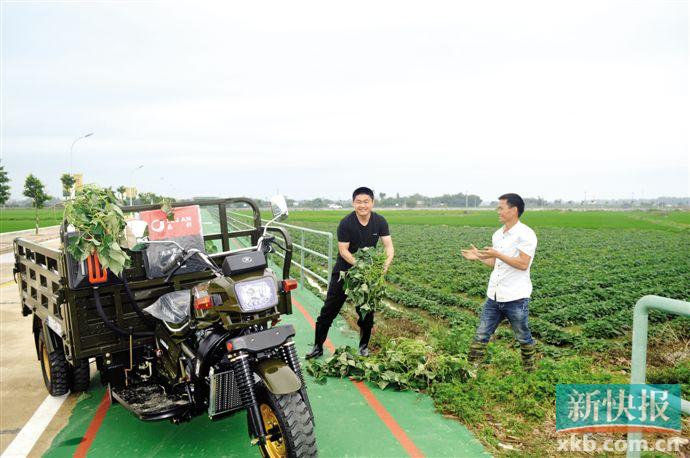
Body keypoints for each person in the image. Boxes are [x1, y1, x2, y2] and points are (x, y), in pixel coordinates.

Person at [305, 187, 394, 359]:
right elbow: (344, 251)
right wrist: (361, 266)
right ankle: (317, 346)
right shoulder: (346, 223)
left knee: (366, 312)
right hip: (345, 271)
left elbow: (389, 246)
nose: (362, 205)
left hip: (366, 274)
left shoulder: (380, 221)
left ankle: (363, 347)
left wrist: (384, 266)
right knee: (329, 310)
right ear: (353, 203)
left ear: (372, 203)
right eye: (359, 202)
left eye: (366, 201)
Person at [461, 193, 538, 371]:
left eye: (501, 208)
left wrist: (497, 254)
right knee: (481, 335)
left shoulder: (525, 234)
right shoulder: (498, 234)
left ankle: (530, 370)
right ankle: (470, 371)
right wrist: (478, 257)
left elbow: (523, 264)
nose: (498, 211)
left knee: (523, 337)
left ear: (514, 210)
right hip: (494, 296)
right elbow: (496, 263)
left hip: (516, 297)